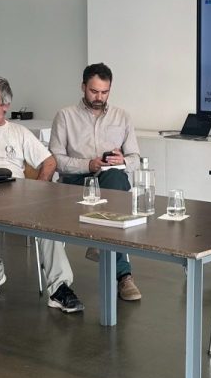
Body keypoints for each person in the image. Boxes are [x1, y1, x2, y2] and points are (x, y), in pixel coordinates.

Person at [0, 76, 84, 312]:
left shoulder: (18, 132)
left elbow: (49, 162)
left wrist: (39, 189)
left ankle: (59, 288)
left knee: (48, 223)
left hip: (17, 193)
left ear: (5, 105)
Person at [49, 62, 143, 301]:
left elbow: (135, 158)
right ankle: (123, 274)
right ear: (83, 87)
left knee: (116, 177)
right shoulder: (65, 116)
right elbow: (55, 160)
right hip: (74, 183)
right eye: (94, 91)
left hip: (109, 180)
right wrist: (88, 165)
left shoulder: (122, 117)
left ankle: (101, 244)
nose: (99, 97)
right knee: (117, 191)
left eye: (104, 92)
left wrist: (123, 160)